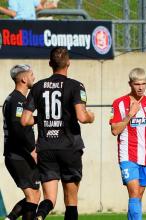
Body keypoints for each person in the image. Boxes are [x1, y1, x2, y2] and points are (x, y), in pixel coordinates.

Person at [21, 47, 95, 220]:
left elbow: (25, 120)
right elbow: (82, 117)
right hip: (70, 148)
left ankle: (40, 215)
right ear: (68, 63)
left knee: (50, 199)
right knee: (71, 200)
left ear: (50, 64)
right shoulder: (76, 86)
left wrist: (43, 119)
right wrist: (91, 116)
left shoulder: (38, 87)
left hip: (46, 148)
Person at [109, 67, 146, 220]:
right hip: (127, 157)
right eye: (137, 84)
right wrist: (130, 114)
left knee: (138, 197)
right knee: (134, 193)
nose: (141, 87)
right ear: (130, 84)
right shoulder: (119, 103)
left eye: (143, 84)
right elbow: (115, 130)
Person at [2, 64, 40, 220]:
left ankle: (10, 218)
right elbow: (18, 128)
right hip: (19, 156)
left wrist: (40, 119)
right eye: (31, 75)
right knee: (32, 197)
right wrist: (32, 149)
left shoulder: (15, 98)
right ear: (24, 79)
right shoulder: (17, 100)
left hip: (20, 155)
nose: (34, 77)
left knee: (35, 196)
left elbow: (25, 122)